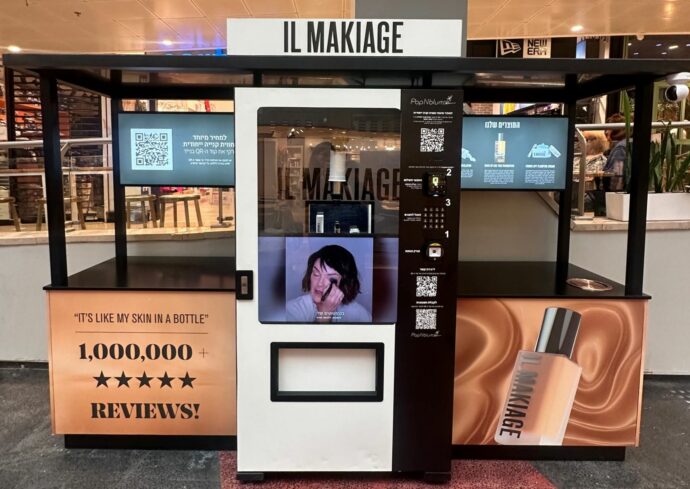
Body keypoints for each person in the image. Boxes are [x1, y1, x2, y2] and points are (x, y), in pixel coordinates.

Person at [287, 244, 371, 323]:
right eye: (316, 274)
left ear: (345, 284)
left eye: (331, 279)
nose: (320, 283)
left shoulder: (360, 315)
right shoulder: (292, 310)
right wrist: (324, 315)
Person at [603, 113, 630, 191]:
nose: (606, 132)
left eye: (609, 129)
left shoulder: (620, 148)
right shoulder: (623, 144)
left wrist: (612, 195)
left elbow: (617, 177)